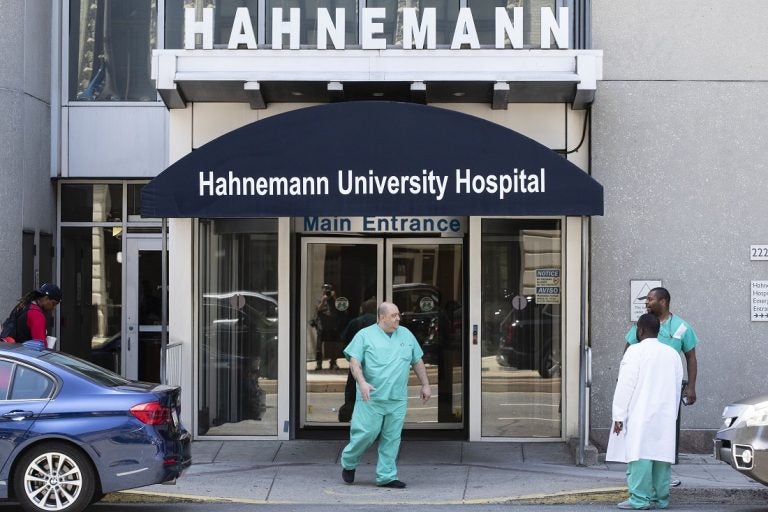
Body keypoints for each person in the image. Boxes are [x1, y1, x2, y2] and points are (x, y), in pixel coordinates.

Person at [340, 301, 431, 488]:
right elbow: (354, 363)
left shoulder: (406, 334)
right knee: (365, 435)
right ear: (381, 317)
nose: (398, 318)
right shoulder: (364, 336)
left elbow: (417, 361)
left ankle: (386, 476)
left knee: (392, 438)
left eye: (398, 315)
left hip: (397, 398)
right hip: (371, 397)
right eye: (393, 315)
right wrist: (362, 383)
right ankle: (349, 462)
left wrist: (426, 385)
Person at [608, 313, 683, 510]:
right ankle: (661, 499)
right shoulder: (672, 354)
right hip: (665, 415)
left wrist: (618, 416)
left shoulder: (634, 352)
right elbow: (677, 388)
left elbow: (625, 386)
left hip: (640, 414)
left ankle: (639, 500)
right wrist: (672, 415)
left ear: (639, 331)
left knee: (639, 456)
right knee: (661, 457)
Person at [625, 287, 697, 488]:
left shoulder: (681, 327)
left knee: (665, 432)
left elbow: (691, 357)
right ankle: (643, 476)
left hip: (668, 390)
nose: (646, 303)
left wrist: (691, 387)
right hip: (642, 388)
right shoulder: (643, 325)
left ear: (663, 301)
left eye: (650, 299)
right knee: (641, 432)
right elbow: (628, 352)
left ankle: (664, 476)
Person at [337, 298, 377, 422]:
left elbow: (343, 340)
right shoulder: (379, 323)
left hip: (357, 360)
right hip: (376, 363)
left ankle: (347, 415)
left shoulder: (355, 322)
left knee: (352, 390)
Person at [314, 284, 342, 370]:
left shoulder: (336, 300)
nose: (326, 291)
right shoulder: (320, 299)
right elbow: (318, 309)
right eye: (325, 289)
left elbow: (342, 308)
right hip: (322, 325)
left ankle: (333, 363)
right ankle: (319, 363)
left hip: (333, 325)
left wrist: (335, 298)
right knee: (319, 346)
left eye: (328, 289)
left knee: (333, 345)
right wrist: (323, 301)